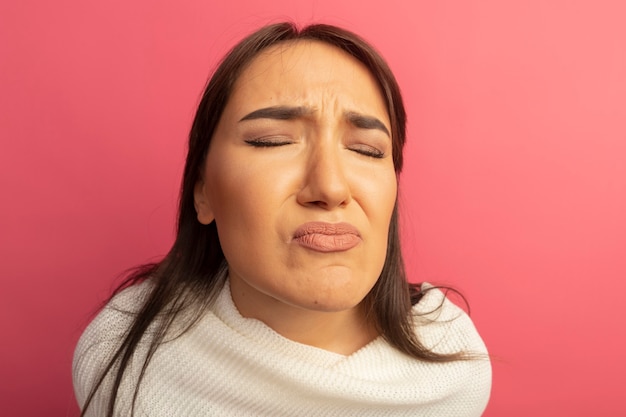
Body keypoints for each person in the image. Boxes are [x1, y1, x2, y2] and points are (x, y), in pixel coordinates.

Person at [73, 22, 491, 417]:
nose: (329, 187)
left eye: (367, 150)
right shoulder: (123, 356)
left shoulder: (454, 368)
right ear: (203, 191)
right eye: (271, 141)